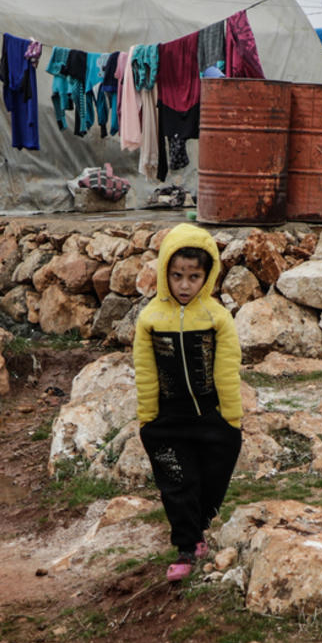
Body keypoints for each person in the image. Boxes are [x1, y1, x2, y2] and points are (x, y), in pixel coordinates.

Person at [132, 223, 242, 582]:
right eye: (177, 275)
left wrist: (231, 420)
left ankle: (202, 524)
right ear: (165, 272)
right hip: (167, 421)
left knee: (212, 479)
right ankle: (187, 545)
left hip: (211, 417)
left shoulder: (216, 318)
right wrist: (148, 420)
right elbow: (146, 372)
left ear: (207, 277)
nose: (184, 285)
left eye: (194, 276)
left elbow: (226, 371)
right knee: (176, 482)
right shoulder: (151, 319)